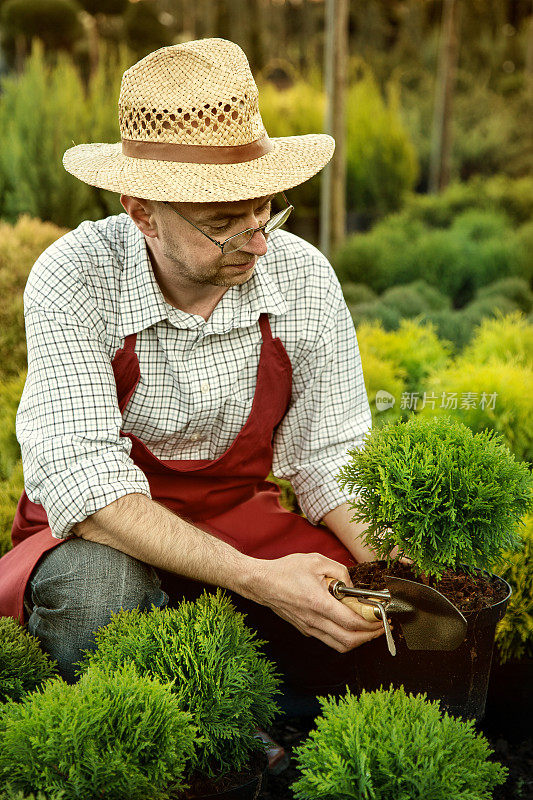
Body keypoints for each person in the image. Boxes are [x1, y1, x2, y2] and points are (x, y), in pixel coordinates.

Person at [0, 38, 385, 693]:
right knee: (98, 596)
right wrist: (258, 581)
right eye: (223, 222)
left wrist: (395, 569)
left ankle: (257, 728)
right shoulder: (74, 277)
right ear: (142, 213)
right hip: (102, 533)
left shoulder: (301, 278)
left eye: (264, 207)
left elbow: (330, 453)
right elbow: (86, 491)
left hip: (241, 518)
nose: (259, 242)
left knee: (361, 609)